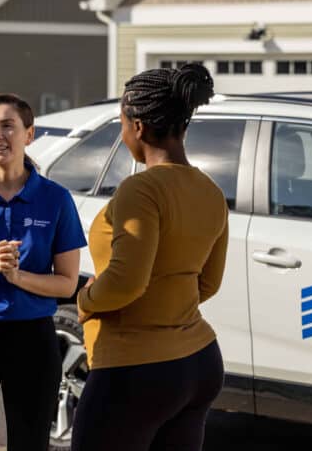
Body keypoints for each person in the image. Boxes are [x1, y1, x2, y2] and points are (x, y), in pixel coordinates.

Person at [71, 64, 229, 451]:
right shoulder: (210, 191)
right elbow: (207, 284)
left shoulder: (140, 189)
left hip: (135, 370)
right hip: (198, 363)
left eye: (122, 124)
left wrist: (85, 300)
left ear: (136, 126)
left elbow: (127, 280)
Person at [0, 93, 87, 451]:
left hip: (33, 341)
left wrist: (17, 277)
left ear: (29, 134)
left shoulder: (55, 199)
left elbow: (68, 282)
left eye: (8, 125)